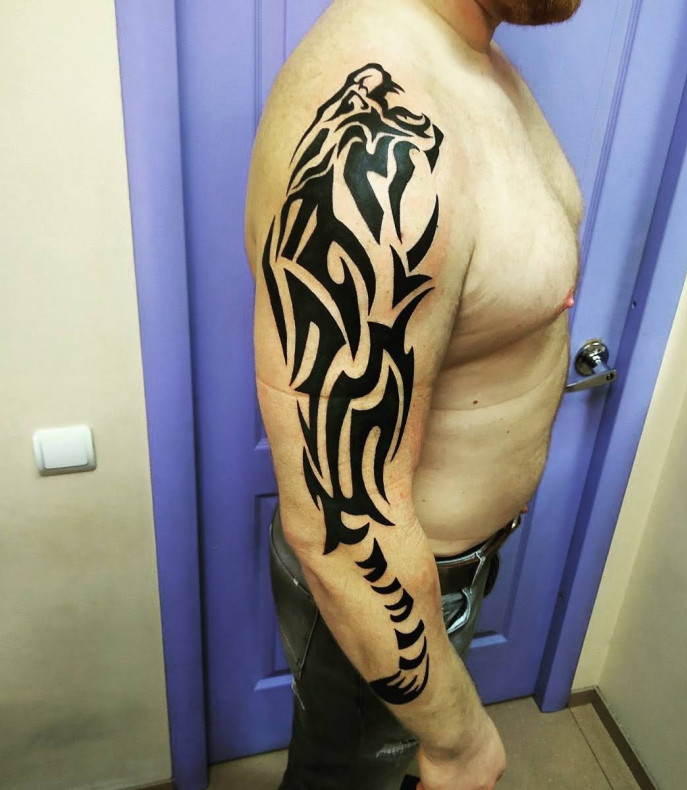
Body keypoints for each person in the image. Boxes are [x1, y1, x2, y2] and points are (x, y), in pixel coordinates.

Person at [244, 0, 583, 787]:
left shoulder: (473, 58)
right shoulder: (379, 133)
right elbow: (341, 521)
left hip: (444, 567)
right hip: (383, 590)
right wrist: (460, 741)